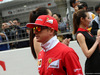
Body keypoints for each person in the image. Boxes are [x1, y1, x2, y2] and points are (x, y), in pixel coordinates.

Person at [73, 9, 100, 74]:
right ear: (82, 19)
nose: (90, 20)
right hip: (92, 68)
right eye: (88, 18)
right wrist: (96, 42)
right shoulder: (80, 34)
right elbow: (87, 54)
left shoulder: (88, 32)